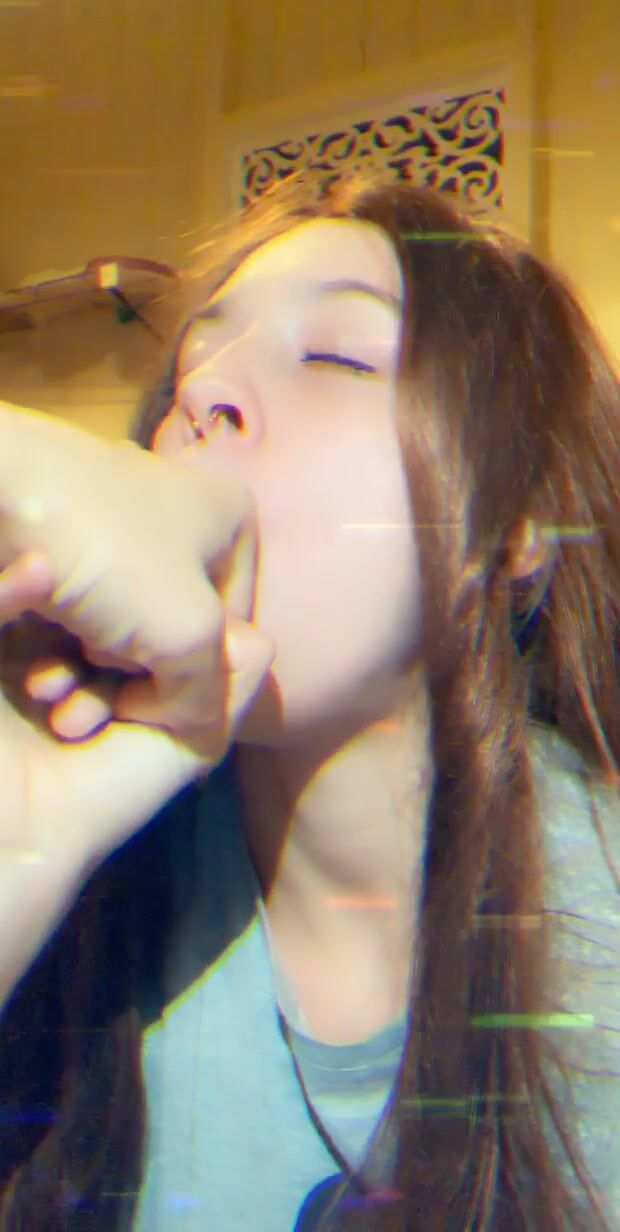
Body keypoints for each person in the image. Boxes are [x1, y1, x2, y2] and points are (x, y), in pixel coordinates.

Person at [0, 171, 619, 1231]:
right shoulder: (94, 879)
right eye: (187, 370)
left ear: (515, 523)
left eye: (335, 357)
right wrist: (23, 840)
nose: (204, 395)